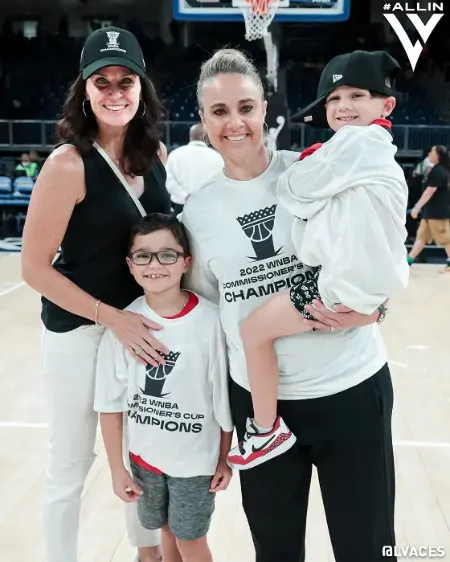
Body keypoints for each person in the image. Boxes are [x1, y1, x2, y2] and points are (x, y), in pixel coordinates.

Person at [181, 48, 397, 562]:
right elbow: (212, 321)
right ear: (204, 121)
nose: (235, 123)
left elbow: (372, 253)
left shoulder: (316, 169)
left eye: (246, 107)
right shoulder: (197, 212)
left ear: (265, 110)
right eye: (219, 111)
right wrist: (219, 429)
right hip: (260, 412)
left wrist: (377, 309)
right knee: (275, 552)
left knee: (367, 549)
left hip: (350, 389)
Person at [21, 26, 171, 562]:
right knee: (71, 461)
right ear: (84, 90)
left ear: (141, 86)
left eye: (124, 80)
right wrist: (112, 317)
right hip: (80, 332)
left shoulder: (155, 155)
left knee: (144, 452)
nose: (114, 92)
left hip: (138, 331)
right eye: (101, 81)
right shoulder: (67, 164)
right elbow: (34, 269)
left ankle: (146, 553)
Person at [226, 50, 410, 470]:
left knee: (253, 331)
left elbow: (294, 190)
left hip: (339, 288)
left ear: (386, 105)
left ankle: (265, 430)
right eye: (334, 99)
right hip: (359, 288)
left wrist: (304, 167)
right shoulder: (368, 149)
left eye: (357, 95)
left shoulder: (359, 141)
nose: (344, 106)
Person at [94, 213, 233, 562]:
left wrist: (223, 458)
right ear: (130, 264)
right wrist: (116, 468)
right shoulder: (124, 324)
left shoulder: (212, 321)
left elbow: (224, 399)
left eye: (167, 255)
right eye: (143, 255)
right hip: (145, 459)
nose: (155, 264)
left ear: (186, 262)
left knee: (191, 541)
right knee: (167, 530)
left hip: (196, 461)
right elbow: (109, 405)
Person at [407, 144, 450, 273]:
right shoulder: (438, 169)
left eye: (431, 152)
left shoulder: (439, 171)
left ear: (437, 155)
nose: (429, 154)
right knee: (421, 237)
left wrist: (417, 207)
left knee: (445, 239)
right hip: (430, 212)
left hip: (438, 213)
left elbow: (429, 192)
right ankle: (407, 262)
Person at [165, 123, 223, 215]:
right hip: (208, 208)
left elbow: (168, 180)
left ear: (190, 136)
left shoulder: (175, 154)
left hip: (181, 207)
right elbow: (221, 184)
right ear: (207, 137)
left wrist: (184, 196)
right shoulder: (216, 157)